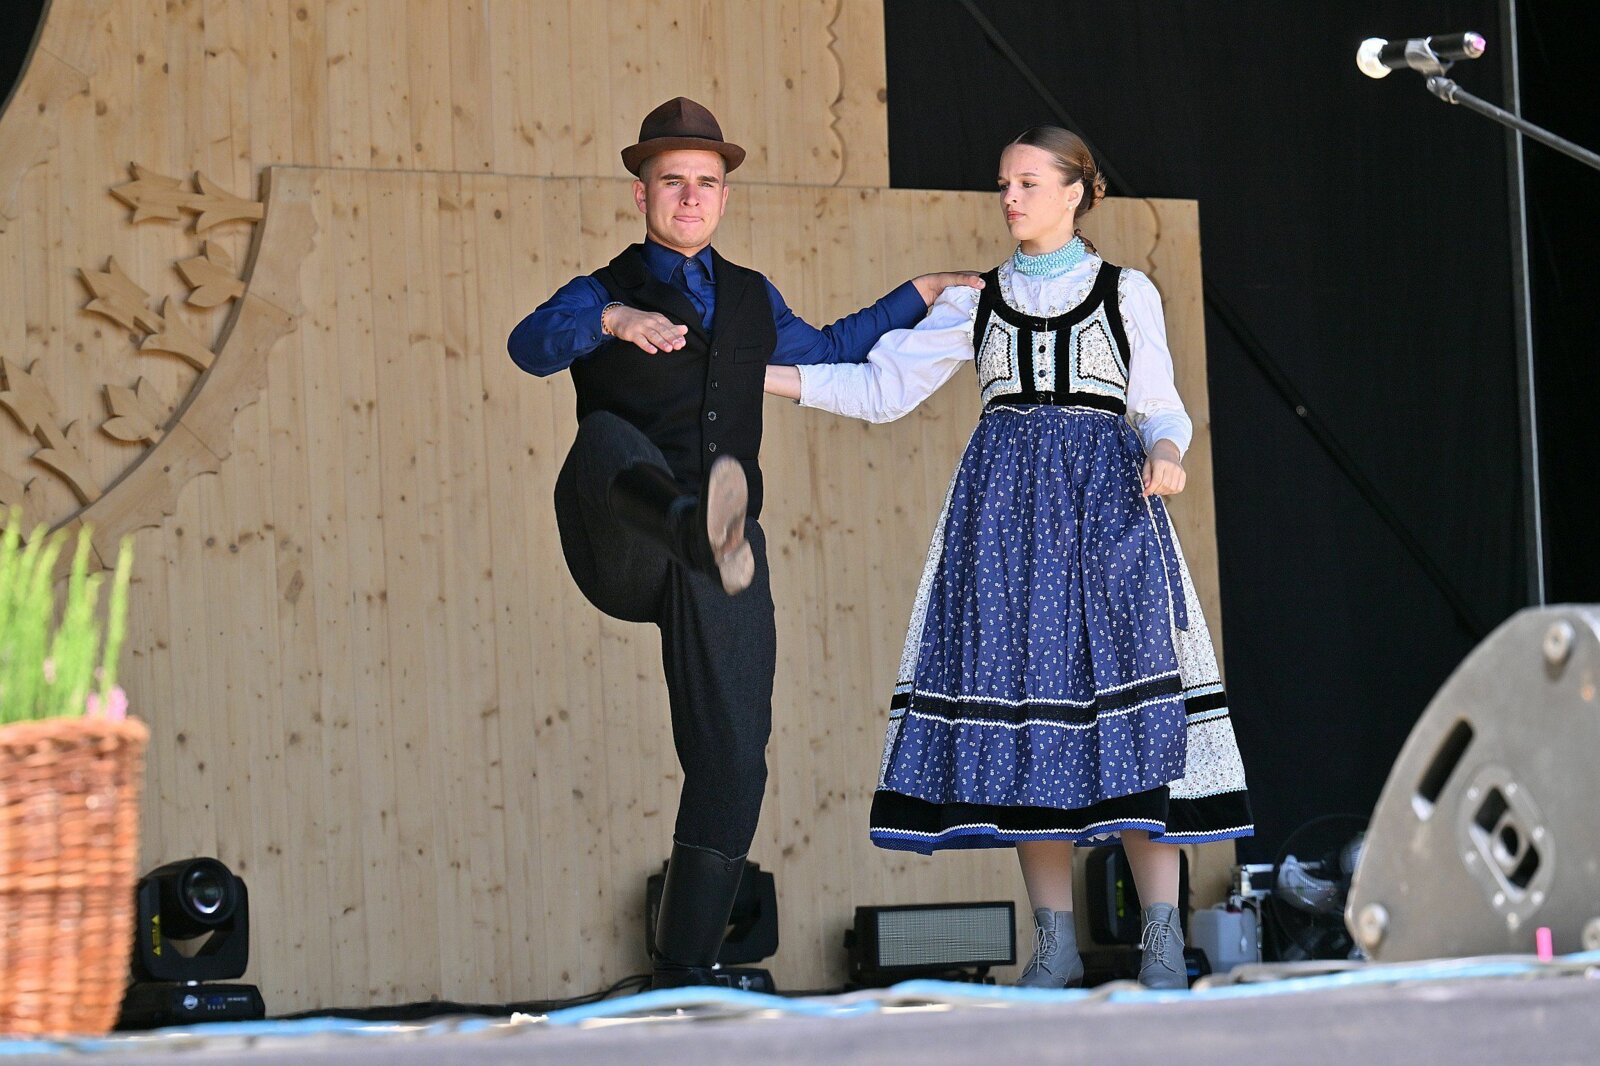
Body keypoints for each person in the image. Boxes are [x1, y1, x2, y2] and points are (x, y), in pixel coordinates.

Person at [765, 126, 1253, 991]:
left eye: (1028, 182)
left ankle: (1161, 942)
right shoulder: (976, 302)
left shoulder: (1125, 291)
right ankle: (1054, 945)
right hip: (1006, 534)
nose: (1011, 198)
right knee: (1032, 728)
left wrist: (1167, 451)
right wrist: (756, 377)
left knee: (1135, 724)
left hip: (1109, 519)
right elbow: (881, 389)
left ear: (1076, 192)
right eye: (1003, 183)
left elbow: (1159, 404)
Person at [506, 96, 978, 989]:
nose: (690, 197)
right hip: (622, 541)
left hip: (721, 560)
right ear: (642, 194)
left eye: (705, 183)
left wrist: (918, 294)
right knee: (604, 438)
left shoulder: (754, 298)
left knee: (734, 758)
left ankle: (683, 968)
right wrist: (609, 323)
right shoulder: (601, 290)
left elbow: (832, 349)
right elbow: (528, 346)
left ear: (724, 197)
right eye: (672, 182)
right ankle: (688, 522)